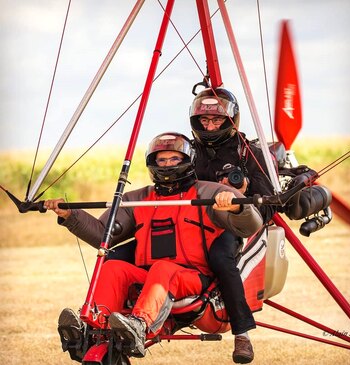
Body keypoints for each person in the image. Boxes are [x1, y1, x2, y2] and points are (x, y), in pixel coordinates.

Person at [45, 132, 263, 362]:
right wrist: (70, 214)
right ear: (153, 163)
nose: (167, 165)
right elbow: (102, 234)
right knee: (114, 267)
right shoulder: (138, 198)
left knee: (163, 268)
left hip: (192, 278)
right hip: (150, 276)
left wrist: (236, 207)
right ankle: (91, 327)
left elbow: (250, 226)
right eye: (162, 160)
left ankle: (139, 326)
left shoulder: (209, 192)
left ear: (187, 160)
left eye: (174, 159)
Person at [189, 87, 276, 363]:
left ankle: (242, 333)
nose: (210, 126)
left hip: (233, 226)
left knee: (220, 257)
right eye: (205, 121)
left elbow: (270, 205)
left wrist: (243, 192)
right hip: (193, 224)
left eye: (216, 120)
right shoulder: (189, 153)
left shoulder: (247, 152)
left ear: (230, 121)